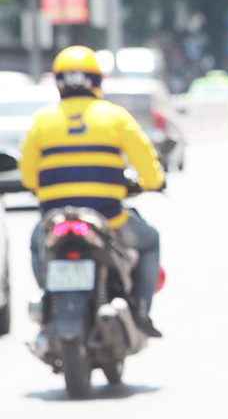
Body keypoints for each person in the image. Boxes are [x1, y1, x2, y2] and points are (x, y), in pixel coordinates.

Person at [20, 45, 165, 338]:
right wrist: (153, 183)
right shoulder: (114, 116)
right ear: (97, 81)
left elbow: (28, 178)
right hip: (109, 220)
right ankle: (141, 309)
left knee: (37, 245)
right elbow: (148, 170)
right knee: (150, 241)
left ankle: (48, 301)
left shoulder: (43, 120)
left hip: (55, 221)